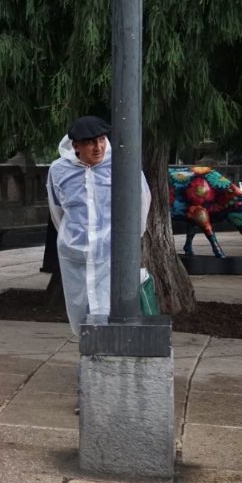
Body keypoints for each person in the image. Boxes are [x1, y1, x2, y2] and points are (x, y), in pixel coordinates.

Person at [45, 115, 150, 335]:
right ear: (76, 146)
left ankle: (110, 358)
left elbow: (141, 200)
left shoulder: (122, 165)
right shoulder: (58, 170)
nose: (98, 147)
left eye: (101, 140)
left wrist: (131, 238)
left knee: (112, 308)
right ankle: (91, 356)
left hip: (112, 252)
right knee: (81, 307)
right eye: (90, 143)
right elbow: (57, 210)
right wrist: (70, 238)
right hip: (76, 253)